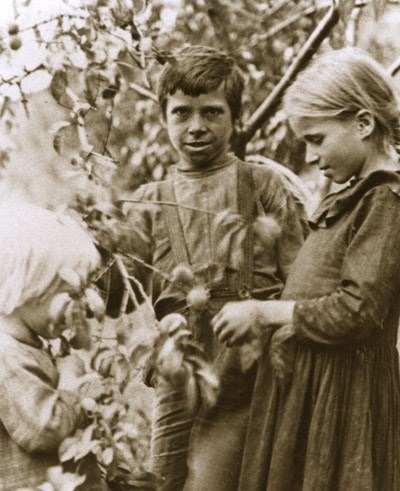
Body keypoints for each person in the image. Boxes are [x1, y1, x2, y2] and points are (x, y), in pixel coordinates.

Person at [106, 45, 307, 490]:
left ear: (236, 118)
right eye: (181, 113)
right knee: (164, 477)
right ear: (163, 118)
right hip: (179, 365)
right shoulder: (148, 201)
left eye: (212, 112)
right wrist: (102, 238)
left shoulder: (263, 185)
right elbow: (112, 301)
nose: (196, 127)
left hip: (254, 366)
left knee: (249, 477)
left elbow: (302, 281)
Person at [212, 47, 400, 490]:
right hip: (312, 389)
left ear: (363, 123)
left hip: (344, 399)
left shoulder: (385, 201)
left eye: (317, 139)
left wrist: (265, 312)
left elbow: (357, 309)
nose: (312, 156)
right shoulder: (351, 195)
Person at [0, 197, 107, 490]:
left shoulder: (30, 345)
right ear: (32, 287)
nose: (78, 308)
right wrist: (72, 380)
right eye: (68, 294)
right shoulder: (4, 355)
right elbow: (44, 429)